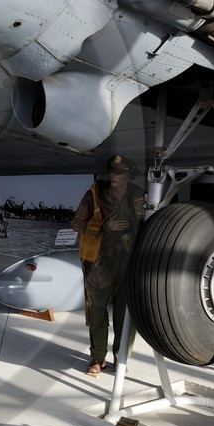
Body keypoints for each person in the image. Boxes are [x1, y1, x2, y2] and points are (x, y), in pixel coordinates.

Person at [71, 155, 144, 377]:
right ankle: (98, 358)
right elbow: (77, 223)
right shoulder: (95, 194)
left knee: (125, 312)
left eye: (120, 172)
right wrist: (104, 225)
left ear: (128, 175)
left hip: (129, 261)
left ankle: (120, 357)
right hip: (100, 260)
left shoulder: (139, 196)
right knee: (97, 310)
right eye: (112, 171)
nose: (114, 176)